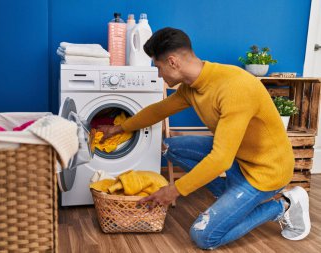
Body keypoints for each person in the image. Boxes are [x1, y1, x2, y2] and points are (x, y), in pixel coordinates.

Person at [97, 27, 311, 249]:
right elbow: (159, 110)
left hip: (266, 173)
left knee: (204, 236)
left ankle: (285, 204)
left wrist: (174, 190)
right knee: (167, 147)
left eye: (158, 68)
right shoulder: (192, 86)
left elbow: (220, 160)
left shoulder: (235, 87)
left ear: (173, 62)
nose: (159, 74)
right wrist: (120, 128)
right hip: (240, 160)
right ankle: (232, 195)